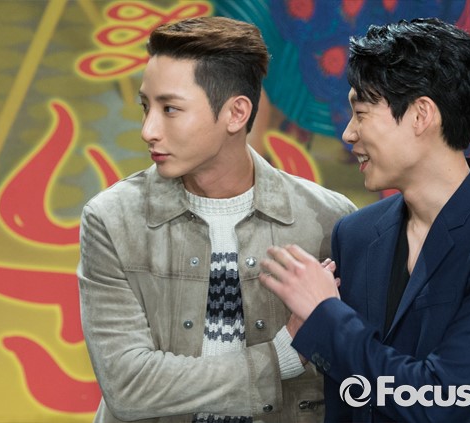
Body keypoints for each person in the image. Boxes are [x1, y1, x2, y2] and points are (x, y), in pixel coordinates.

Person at [259, 18, 470, 422]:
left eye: (361, 113)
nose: (348, 133)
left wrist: (325, 313)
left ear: (421, 115)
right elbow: (347, 395)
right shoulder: (356, 233)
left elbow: (438, 403)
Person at [77, 16, 356, 423]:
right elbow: (129, 386)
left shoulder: (329, 221)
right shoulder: (112, 219)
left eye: (170, 109)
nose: (148, 130)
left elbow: (353, 377)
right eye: (146, 107)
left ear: (236, 113)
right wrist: (281, 354)